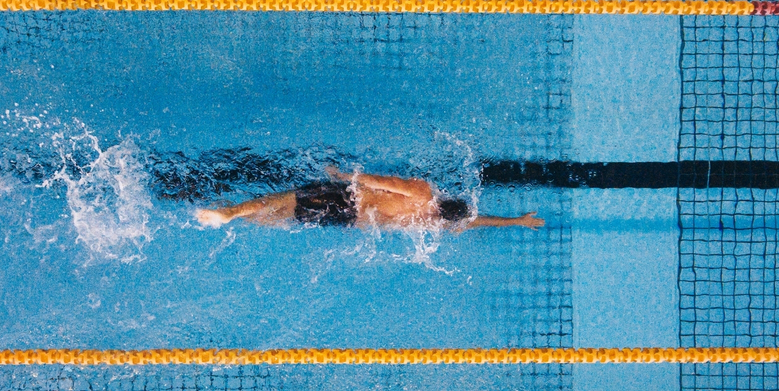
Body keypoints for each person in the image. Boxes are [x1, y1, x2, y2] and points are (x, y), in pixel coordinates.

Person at [195, 166, 544, 231]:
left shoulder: (424, 194)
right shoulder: (431, 221)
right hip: (347, 220)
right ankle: (237, 217)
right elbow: (473, 221)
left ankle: (229, 212)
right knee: (280, 217)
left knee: (281, 199)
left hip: (347, 199)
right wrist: (517, 221)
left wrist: (346, 177)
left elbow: (384, 181)